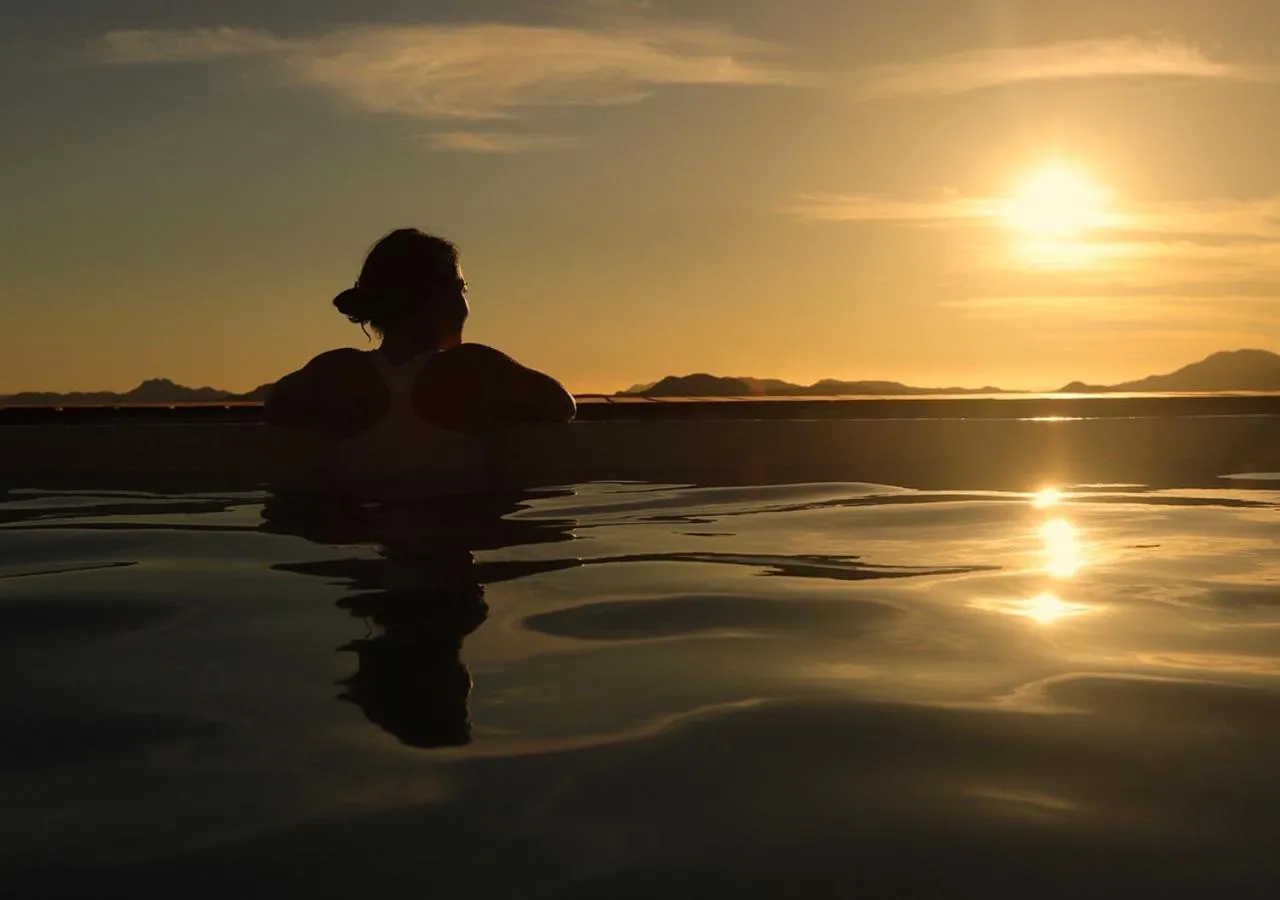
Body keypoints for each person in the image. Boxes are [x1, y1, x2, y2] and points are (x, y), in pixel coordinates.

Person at [265, 229, 576, 456]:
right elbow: (563, 405)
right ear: (440, 300)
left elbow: (276, 407)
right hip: (453, 530)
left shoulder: (334, 372)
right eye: (462, 289)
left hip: (370, 536)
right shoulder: (475, 368)